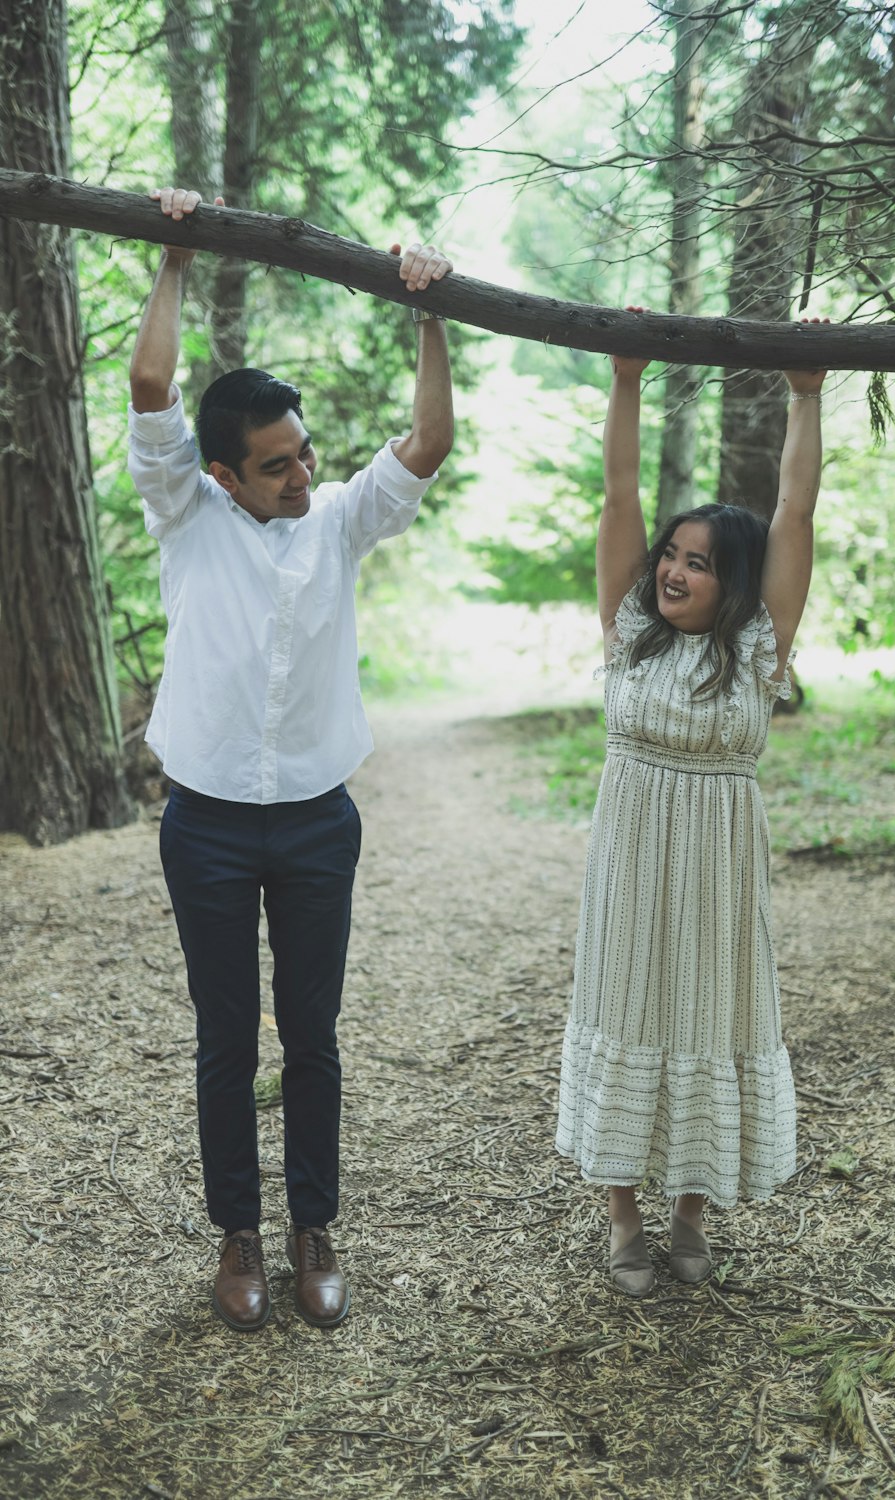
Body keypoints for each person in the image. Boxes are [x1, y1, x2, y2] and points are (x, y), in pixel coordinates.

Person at [128, 186, 454, 1331]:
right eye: (275, 465)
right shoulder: (185, 512)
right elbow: (152, 389)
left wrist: (430, 312)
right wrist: (172, 254)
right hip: (205, 823)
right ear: (224, 474)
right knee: (227, 1037)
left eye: (304, 454)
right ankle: (239, 1237)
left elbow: (429, 440)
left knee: (311, 1035)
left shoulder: (339, 521)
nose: (301, 475)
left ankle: (316, 1226)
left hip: (319, 820)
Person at [555, 317, 826, 1296]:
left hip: (716, 854)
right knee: (626, 1001)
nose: (673, 568)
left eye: (700, 562)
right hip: (630, 846)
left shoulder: (756, 650)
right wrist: (625, 380)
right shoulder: (630, 630)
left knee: (708, 1013)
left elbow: (793, 514)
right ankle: (623, 1216)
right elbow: (618, 494)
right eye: (673, 553)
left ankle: (690, 1214)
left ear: (734, 585)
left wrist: (806, 394)